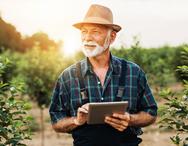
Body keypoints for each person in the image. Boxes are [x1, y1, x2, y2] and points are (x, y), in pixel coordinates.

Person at [49, 4, 158, 146]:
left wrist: (130, 119)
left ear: (111, 37)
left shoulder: (133, 72)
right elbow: (56, 121)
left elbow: (151, 113)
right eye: (84, 31)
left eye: (96, 32)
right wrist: (76, 120)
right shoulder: (68, 77)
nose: (87, 38)